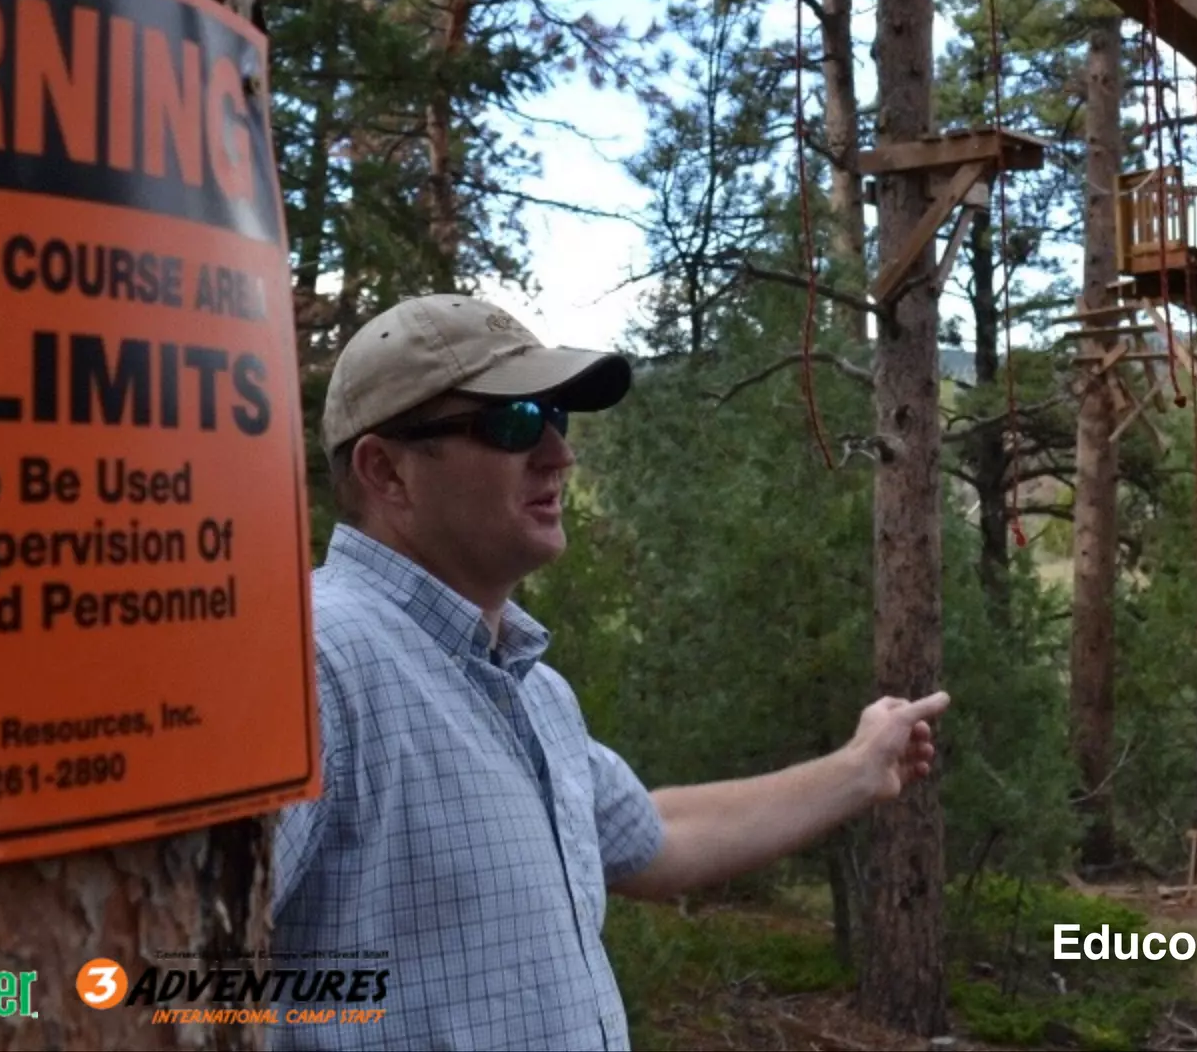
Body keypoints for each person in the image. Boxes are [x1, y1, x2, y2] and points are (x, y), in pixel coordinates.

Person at [270, 294, 948, 1051]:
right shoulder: (311, 663)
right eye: (514, 422)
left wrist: (861, 768)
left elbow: (658, 837)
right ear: (386, 471)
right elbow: (155, 982)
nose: (558, 453)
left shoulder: (529, 688)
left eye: (556, 418)